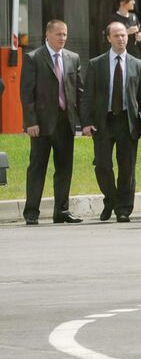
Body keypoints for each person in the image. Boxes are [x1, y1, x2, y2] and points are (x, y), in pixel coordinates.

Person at [82, 19, 141, 223]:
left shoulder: (137, 64)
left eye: (124, 35)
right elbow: (87, 95)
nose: (121, 39)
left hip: (127, 121)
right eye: (116, 35)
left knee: (127, 168)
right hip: (103, 121)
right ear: (108, 39)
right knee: (102, 165)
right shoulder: (96, 64)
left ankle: (123, 209)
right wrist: (86, 122)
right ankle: (111, 199)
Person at [20, 20, 84, 225]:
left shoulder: (73, 58)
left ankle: (61, 211)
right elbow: (27, 93)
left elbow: (79, 92)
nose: (62, 38)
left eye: (65, 34)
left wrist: (85, 121)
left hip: (66, 122)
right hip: (41, 124)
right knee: (37, 167)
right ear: (47, 34)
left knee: (65, 168)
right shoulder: (33, 58)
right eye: (58, 34)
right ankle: (31, 211)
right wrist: (31, 122)